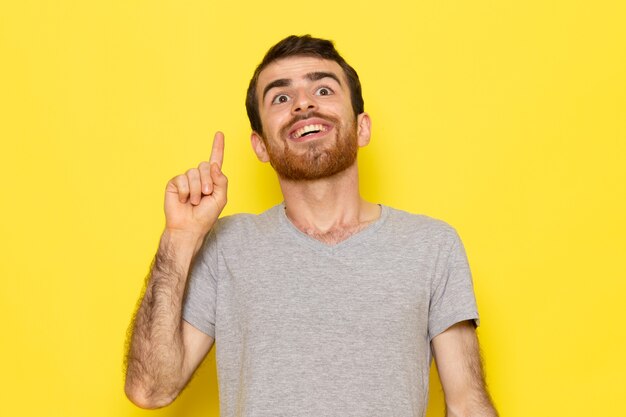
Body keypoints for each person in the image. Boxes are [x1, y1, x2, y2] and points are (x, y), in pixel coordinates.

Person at [124, 35, 498, 417]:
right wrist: (180, 238)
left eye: (322, 89)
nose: (303, 103)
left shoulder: (432, 246)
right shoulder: (226, 246)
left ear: (362, 128)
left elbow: (468, 406)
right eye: (281, 98)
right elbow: (150, 389)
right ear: (260, 147)